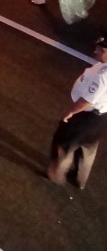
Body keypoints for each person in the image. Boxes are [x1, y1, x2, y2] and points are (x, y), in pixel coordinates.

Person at [47, 34, 107, 190]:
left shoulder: (103, 76)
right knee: (88, 147)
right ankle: (79, 179)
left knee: (63, 140)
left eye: (100, 50)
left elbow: (87, 100)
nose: (96, 51)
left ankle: (56, 173)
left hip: (86, 117)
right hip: (101, 118)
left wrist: (71, 112)